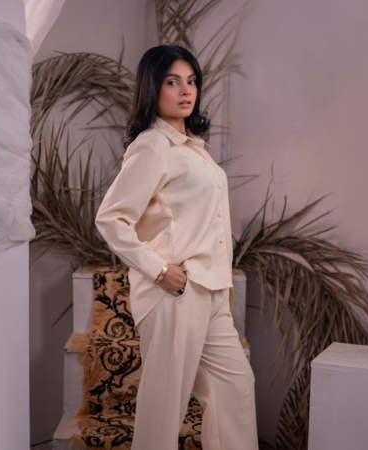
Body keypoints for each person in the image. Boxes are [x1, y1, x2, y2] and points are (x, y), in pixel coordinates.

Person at [95, 44, 259, 450]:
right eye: (173, 82)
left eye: (191, 81)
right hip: (176, 292)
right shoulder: (152, 146)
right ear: (153, 88)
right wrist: (160, 270)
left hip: (212, 291)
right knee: (164, 408)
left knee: (236, 388)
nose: (186, 91)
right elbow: (110, 218)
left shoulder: (194, 148)